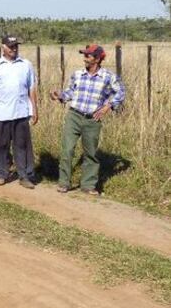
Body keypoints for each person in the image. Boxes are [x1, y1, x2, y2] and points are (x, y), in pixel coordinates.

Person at [50, 44, 125, 195]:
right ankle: (64, 183)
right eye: (84, 55)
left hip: (92, 120)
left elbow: (121, 92)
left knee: (90, 153)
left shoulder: (108, 77)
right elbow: (70, 92)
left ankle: (88, 185)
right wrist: (60, 95)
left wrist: (108, 106)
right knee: (67, 150)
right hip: (74, 116)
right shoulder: (77, 74)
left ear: (97, 59)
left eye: (88, 55)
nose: (84, 58)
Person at [0, 34, 38, 189]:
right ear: (3, 48)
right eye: (11, 46)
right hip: (1, 112)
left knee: (22, 146)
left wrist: (34, 109)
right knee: (1, 145)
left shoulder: (26, 65)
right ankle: (0, 173)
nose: (14, 49)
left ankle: (25, 175)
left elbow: (31, 88)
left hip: (21, 112)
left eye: (16, 46)